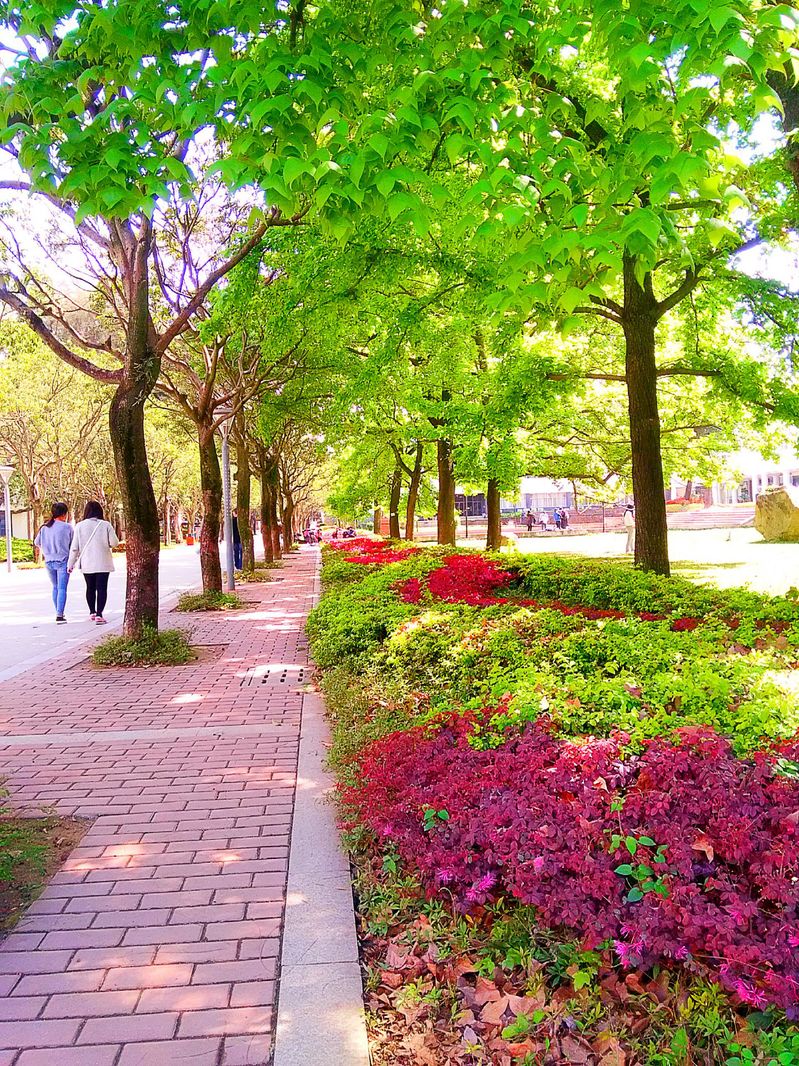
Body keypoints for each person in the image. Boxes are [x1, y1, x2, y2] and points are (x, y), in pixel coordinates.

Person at [68, 501, 119, 625]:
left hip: (87, 563)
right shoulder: (106, 525)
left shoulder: (79, 526)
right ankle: (99, 615)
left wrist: (70, 564)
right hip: (103, 563)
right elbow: (114, 543)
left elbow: (74, 548)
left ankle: (92, 612)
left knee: (90, 588)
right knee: (102, 588)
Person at [34, 502, 73, 624]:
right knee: (62, 588)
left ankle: (59, 612)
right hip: (63, 561)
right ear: (64, 514)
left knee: (55, 587)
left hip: (49, 561)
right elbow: (73, 546)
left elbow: (36, 542)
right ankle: (60, 615)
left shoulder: (44, 527)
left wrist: (47, 550)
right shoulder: (67, 527)